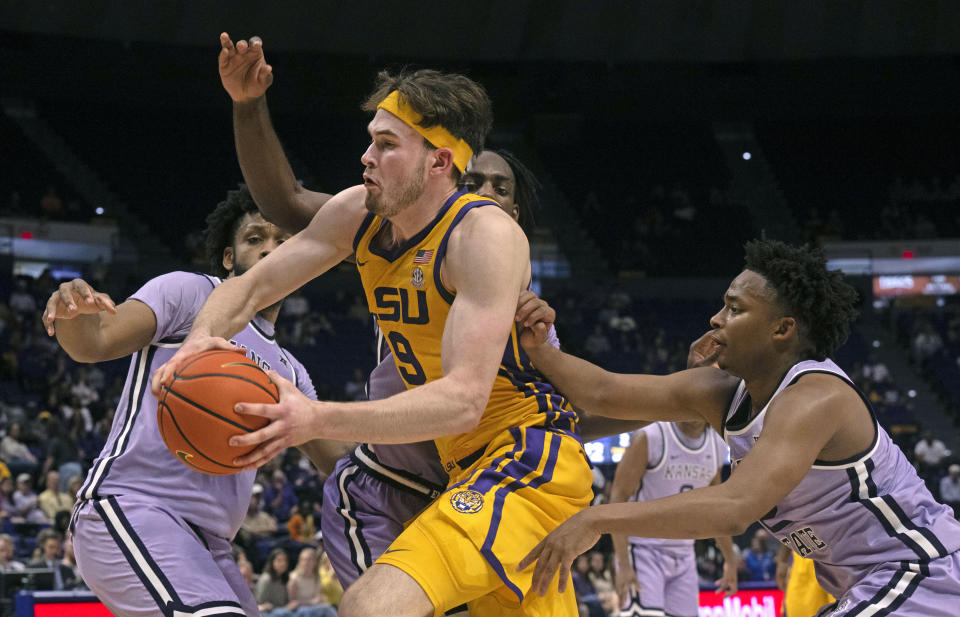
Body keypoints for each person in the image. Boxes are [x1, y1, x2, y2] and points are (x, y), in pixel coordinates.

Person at [153, 33, 595, 617]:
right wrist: (198, 342)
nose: (366, 157)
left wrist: (313, 417)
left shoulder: (482, 237)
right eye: (370, 142)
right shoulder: (360, 213)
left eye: (386, 145)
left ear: (439, 161)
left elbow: (464, 400)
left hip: (526, 458)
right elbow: (255, 285)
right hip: (462, 470)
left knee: (372, 606)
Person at [516, 240, 960, 615]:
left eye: (734, 309)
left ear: (782, 330)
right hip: (862, 582)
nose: (715, 319)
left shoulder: (815, 397)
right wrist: (541, 344)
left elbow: (733, 509)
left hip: (919, 571)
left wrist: (596, 518)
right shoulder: (723, 391)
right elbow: (602, 392)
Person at [43, 186, 326, 617]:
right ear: (229, 257)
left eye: (284, 243)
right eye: (255, 239)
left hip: (211, 547)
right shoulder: (191, 294)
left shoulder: (291, 371)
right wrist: (74, 315)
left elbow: (339, 462)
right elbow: (96, 342)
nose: (271, 251)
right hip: (134, 507)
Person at [610, 419, 736, 617]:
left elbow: (714, 510)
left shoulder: (718, 444)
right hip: (643, 551)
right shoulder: (650, 436)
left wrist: (730, 560)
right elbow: (618, 498)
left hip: (685, 555)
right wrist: (623, 565)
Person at [286, 548, 337, 617]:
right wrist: (310, 602)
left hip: (314, 608)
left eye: (309, 560)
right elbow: (293, 603)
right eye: (303, 560)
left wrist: (313, 601)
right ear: (300, 561)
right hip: (298, 610)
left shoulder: (317, 577)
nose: (306, 563)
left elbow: (319, 598)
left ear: (315, 562)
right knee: (326, 609)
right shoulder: (293, 578)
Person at [257, 548, 294, 617]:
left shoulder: (285, 578)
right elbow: (261, 602)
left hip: (282, 611)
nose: (283, 563)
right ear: (272, 562)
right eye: (279, 560)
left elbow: (284, 602)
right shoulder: (266, 579)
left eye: (285, 560)